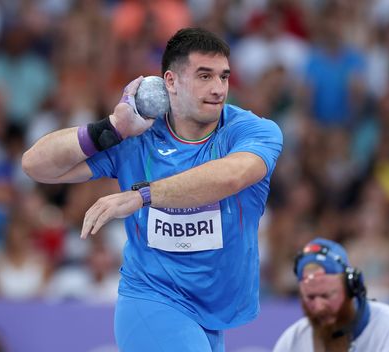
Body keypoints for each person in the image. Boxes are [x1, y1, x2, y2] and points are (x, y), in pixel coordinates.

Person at [22, 27, 283, 352]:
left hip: (211, 314)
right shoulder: (138, 137)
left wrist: (142, 195)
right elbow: (36, 165)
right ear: (170, 82)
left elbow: (232, 176)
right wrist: (112, 128)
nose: (218, 89)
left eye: (224, 77)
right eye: (204, 76)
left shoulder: (251, 130)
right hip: (152, 298)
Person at [273, 238, 389, 352]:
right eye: (310, 297)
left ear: (350, 289)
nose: (318, 307)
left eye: (326, 295)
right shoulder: (292, 341)